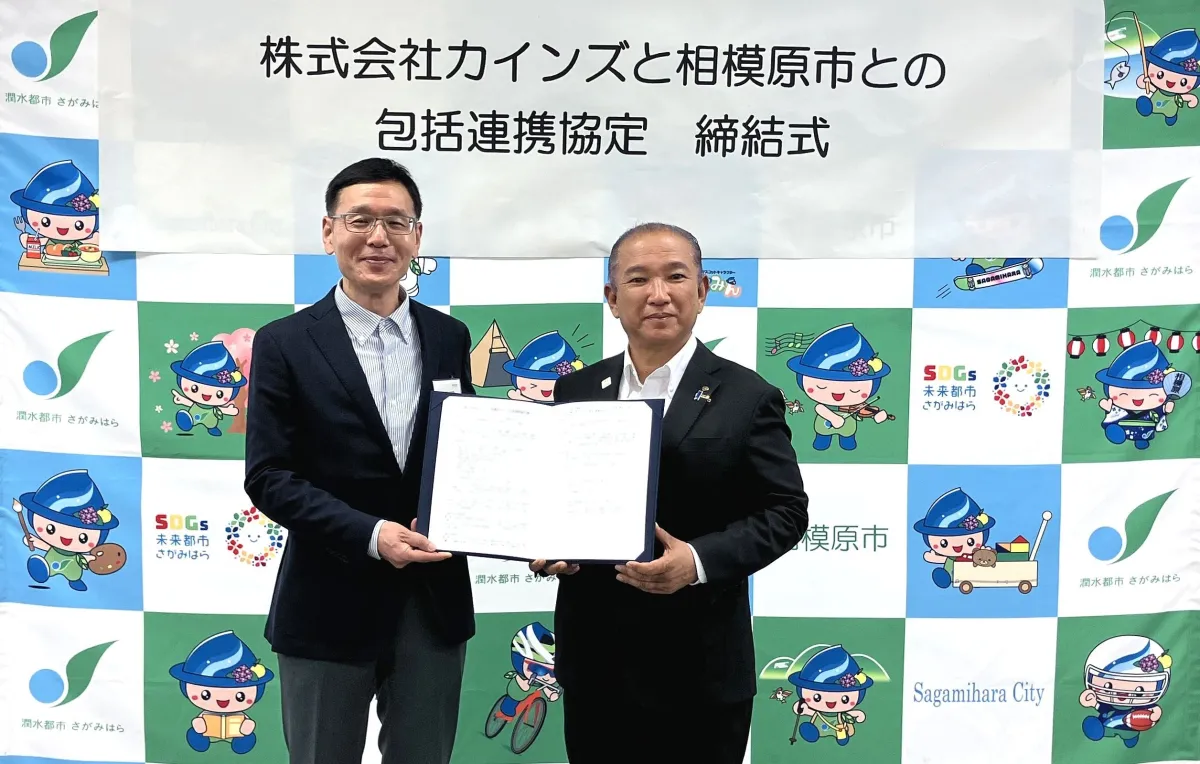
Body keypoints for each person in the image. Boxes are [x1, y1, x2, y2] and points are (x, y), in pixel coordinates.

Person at [530, 222, 810, 763]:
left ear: (701, 291)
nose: (658, 294)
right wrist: (548, 544)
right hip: (596, 663)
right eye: (638, 279)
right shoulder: (576, 389)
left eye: (675, 277)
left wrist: (698, 561)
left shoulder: (748, 395)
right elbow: (557, 496)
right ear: (612, 298)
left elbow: (785, 512)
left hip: (700, 667)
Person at [244, 158, 476, 764]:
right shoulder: (285, 343)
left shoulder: (449, 336)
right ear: (329, 233)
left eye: (396, 222)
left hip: (432, 604)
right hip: (326, 601)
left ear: (417, 237)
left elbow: (467, 455)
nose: (379, 237)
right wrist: (371, 535)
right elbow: (269, 476)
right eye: (360, 220)